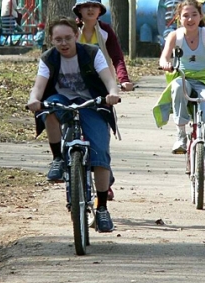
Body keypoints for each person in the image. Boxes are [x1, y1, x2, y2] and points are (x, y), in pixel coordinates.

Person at [26, 17, 120, 233]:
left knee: (100, 155)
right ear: (51, 41)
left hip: (92, 103)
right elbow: (39, 86)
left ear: (76, 36)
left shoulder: (91, 53)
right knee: (49, 111)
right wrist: (34, 99)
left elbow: (108, 78)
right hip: (62, 101)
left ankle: (103, 209)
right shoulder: (48, 59)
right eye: (58, 39)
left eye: (68, 38)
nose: (64, 43)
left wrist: (112, 93)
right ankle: (58, 159)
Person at [155, 0, 205, 189]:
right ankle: (181, 134)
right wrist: (166, 63)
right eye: (185, 15)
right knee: (177, 86)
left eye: (194, 15)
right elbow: (164, 56)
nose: (190, 19)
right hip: (183, 77)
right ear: (179, 18)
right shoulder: (175, 36)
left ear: (201, 16)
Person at [72, 0, 134, 200]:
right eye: (85, 6)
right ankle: (69, 170)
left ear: (100, 10)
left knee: (100, 136)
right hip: (72, 86)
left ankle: (104, 180)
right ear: (78, 10)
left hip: (100, 88)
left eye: (94, 6)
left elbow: (116, 57)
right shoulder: (71, 30)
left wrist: (123, 80)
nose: (90, 10)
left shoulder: (105, 31)